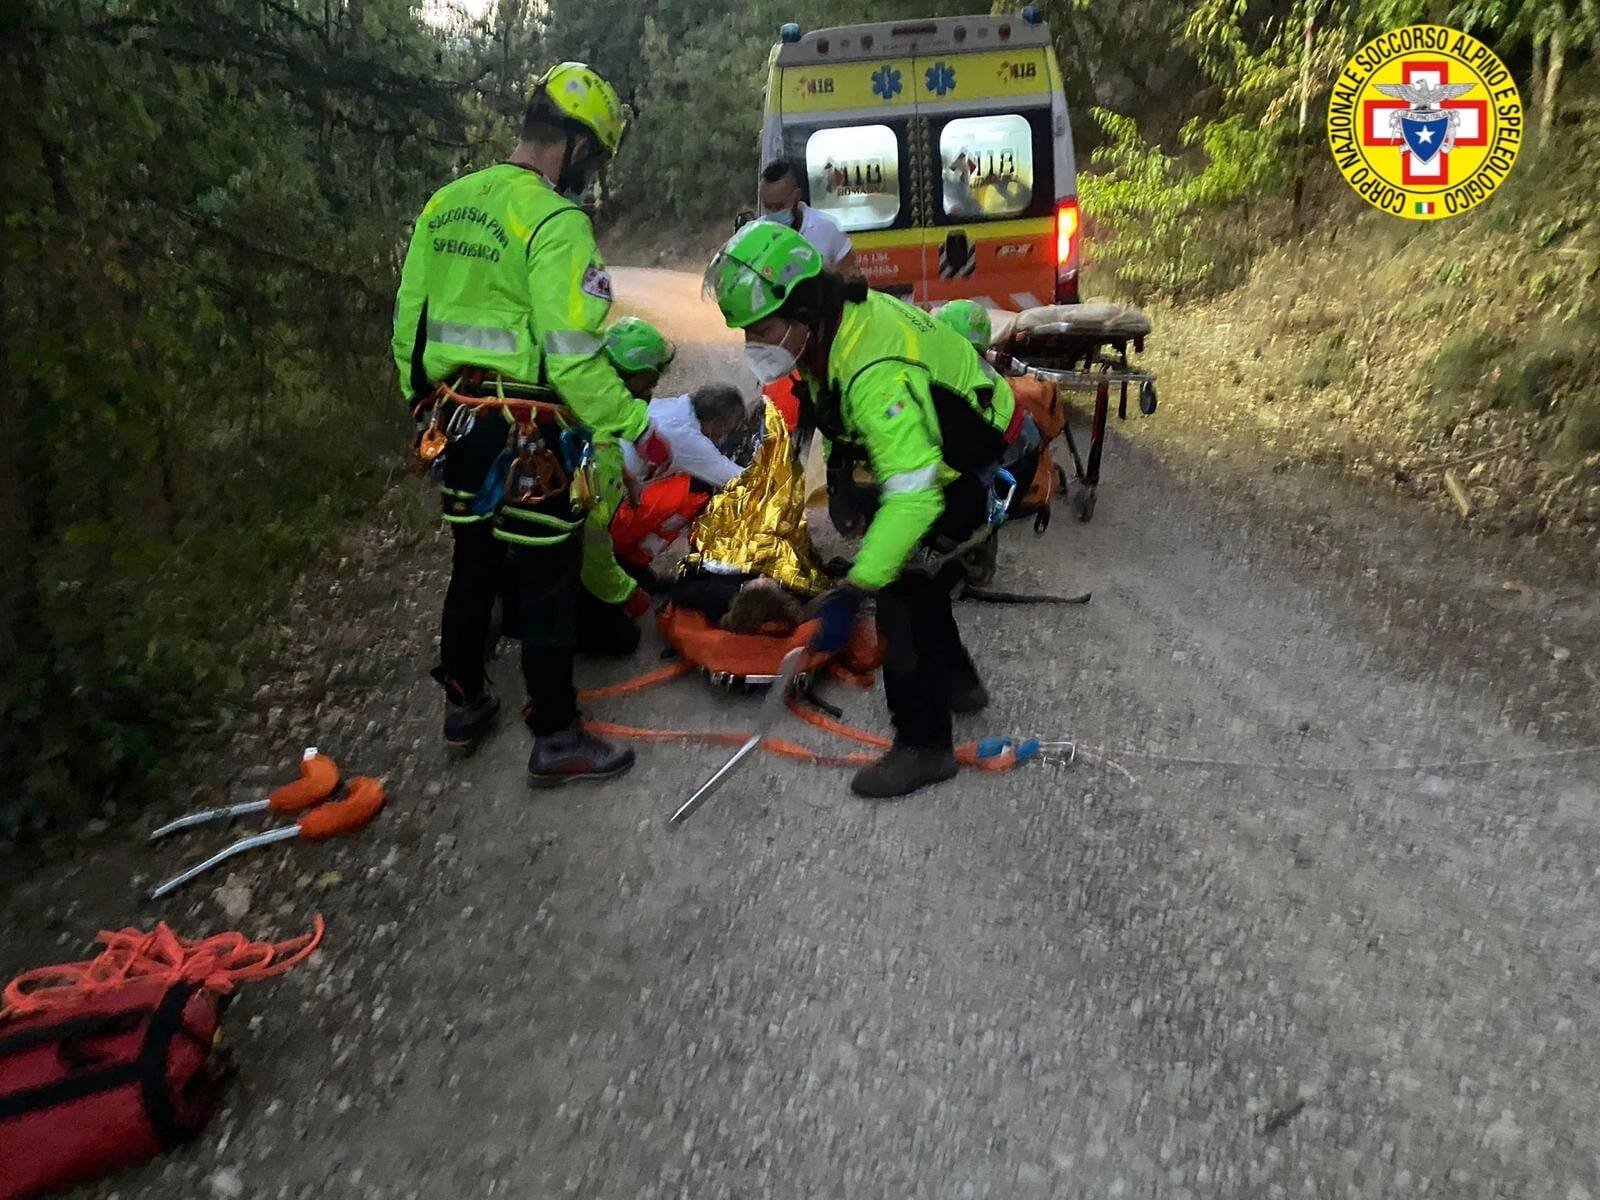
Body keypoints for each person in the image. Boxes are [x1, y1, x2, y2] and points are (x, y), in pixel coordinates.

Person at [393, 61, 668, 785]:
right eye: (595, 158)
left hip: (455, 419)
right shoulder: (554, 221)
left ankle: (465, 699)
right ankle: (556, 736)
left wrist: (423, 407)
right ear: (576, 145)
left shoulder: (445, 203)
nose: (592, 174)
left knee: (473, 559)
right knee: (547, 576)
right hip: (529, 433)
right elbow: (574, 357)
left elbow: (409, 327)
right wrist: (633, 423)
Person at [705, 222, 1022, 798]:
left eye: (765, 328)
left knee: (901, 591)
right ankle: (959, 684)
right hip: (937, 439)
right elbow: (836, 414)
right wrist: (848, 490)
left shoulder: (874, 369)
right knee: (918, 575)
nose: (756, 342)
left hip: (968, 457)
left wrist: (857, 587)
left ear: (804, 311)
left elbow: (917, 493)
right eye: (748, 330)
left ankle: (925, 747)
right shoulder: (826, 332)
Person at [758, 160, 857, 276]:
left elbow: (851, 278)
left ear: (797, 196)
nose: (773, 212)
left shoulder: (827, 228)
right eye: (768, 206)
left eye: (780, 206)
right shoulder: (754, 235)